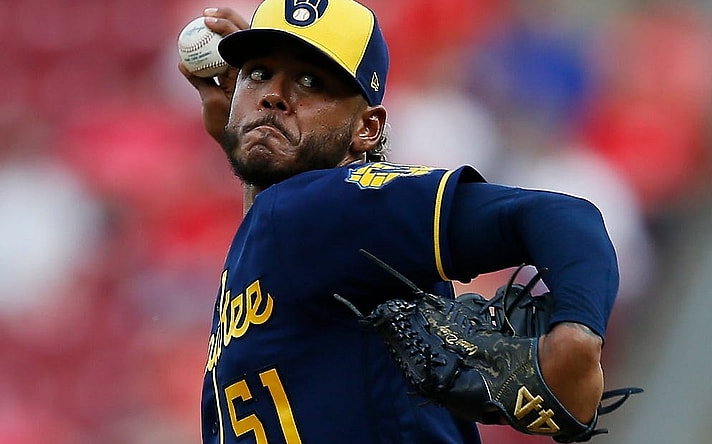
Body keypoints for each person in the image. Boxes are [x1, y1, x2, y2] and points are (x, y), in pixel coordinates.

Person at [180, 1, 613, 442]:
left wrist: (575, 342)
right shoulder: (288, 229)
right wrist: (245, 135)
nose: (274, 94)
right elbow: (284, 243)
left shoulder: (325, 207)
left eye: (310, 81)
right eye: (259, 74)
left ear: (366, 129)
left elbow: (565, 218)